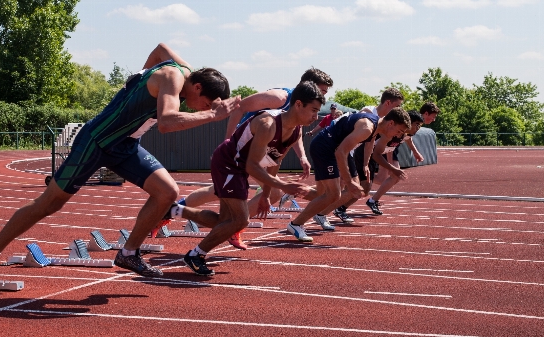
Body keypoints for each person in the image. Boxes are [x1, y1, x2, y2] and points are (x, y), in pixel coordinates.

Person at [0, 43, 241, 286]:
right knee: (49, 203)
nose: (196, 108)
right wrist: (211, 115)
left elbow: (161, 48)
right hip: (97, 142)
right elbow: (168, 122)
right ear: (197, 87)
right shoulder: (172, 77)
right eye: (202, 103)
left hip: (124, 146)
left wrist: (135, 81)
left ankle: (129, 253)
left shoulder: (184, 70)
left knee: (167, 192)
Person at [156, 68, 333, 249]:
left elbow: (294, 131)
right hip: (244, 147)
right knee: (265, 192)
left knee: (225, 193)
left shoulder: (302, 111)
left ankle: (187, 214)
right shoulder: (280, 98)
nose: (322, 96)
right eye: (322, 91)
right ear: (306, 88)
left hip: (263, 148)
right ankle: (232, 225)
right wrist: (228, 140)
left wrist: (302, 156)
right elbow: (239, 106)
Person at [285, 107, 411, 242]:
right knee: (333, 194)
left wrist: (365, 165)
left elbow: (369, 144)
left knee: (321, 194)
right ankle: (296, 224)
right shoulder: (367, 127)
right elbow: (340, 152)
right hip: (325, 148)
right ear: (391, 123)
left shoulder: (375, 126)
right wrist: (349, 182)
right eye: (399, 131)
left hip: (329, 148)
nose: (398, 135)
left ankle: (291, 191)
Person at [326, 88, 404, 223]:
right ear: (387, 103)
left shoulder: (382, 120)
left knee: (355, 188)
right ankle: (320, 212)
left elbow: (370, 142)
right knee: (345, 187)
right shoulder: (368, 112)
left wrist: (365, 164)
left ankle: (329, 210)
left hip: (352, 153)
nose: (398, 109)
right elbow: (352, 134)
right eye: (397, 105)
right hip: (341, 150)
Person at [366, 110, 425, 212]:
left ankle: (372, 200)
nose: (418, 128)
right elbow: (386, 148)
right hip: (372, 152)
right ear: (408, 123)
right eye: (417, 124)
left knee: (383, 179)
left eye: (420, 125)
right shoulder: (394, 132)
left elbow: (407, 139)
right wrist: (391, 166)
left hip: (381, 151)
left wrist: (415, 152)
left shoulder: (407, 133)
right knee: (363, 184)